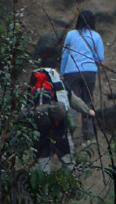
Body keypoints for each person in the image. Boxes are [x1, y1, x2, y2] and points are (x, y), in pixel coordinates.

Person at [30, 43, 95, 173]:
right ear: (55, 69)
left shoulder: (32, 84)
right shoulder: (61, 84)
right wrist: (88, 111)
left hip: (39, 130)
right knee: (69, 163)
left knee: (42, 167)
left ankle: (42, 191)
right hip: (60, 128)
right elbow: (75, 101)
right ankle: (70, 189)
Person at [61, 11, 104, 141]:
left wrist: (62, 72)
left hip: (71, 71)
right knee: (87, 101)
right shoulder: (96, 36)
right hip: (89, 72)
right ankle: (88, 131)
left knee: (72, 100)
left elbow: (65, 55)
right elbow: (100, 58)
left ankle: (70, 128)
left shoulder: (70, 35)